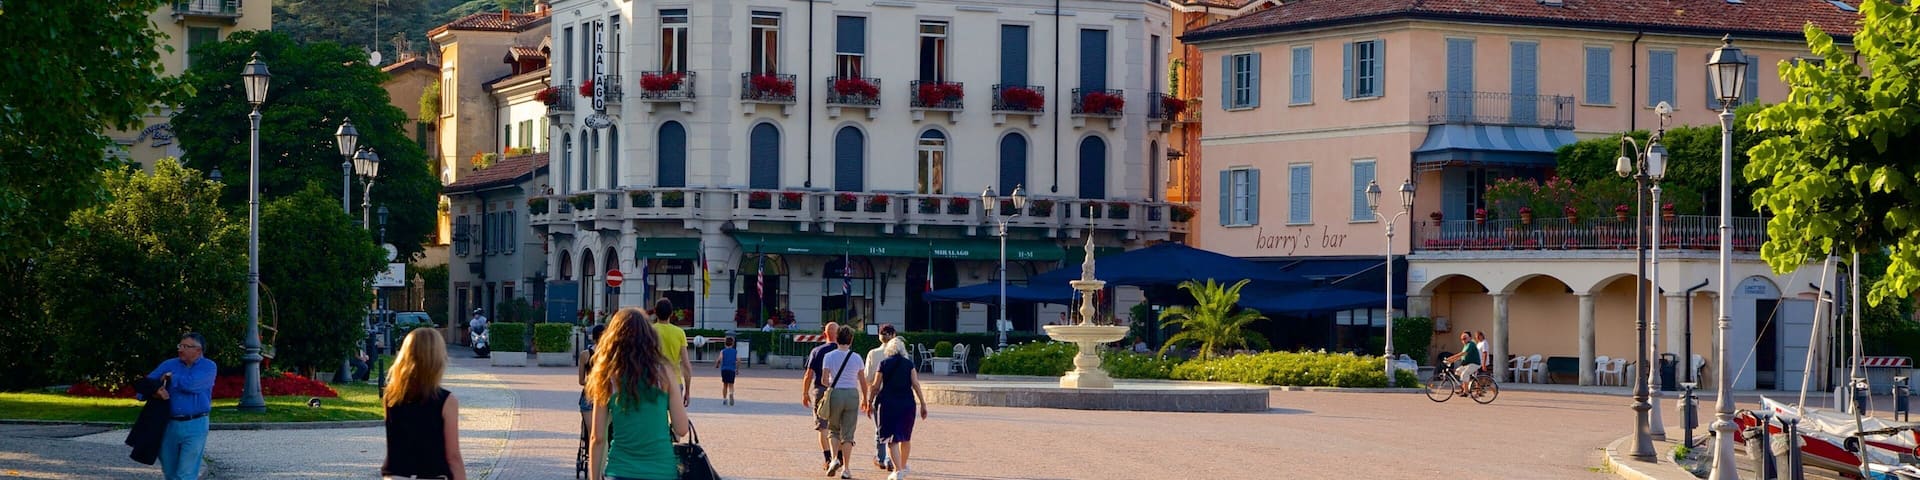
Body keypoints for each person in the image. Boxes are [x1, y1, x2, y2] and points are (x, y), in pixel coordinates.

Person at [587, 307, 691, 480]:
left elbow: (597, 438)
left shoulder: (607, 376)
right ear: (649, 337)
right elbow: (681, 428)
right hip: (661, 470)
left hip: (620, 470)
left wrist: (594, 477)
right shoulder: (664, 372)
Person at [381, 328, 467, 480]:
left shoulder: (391, 397)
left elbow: (393, 441)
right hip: (431, 474)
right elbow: (452, 456)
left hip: (397, 473)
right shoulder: (446, 401)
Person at [145, 332, 216, 480]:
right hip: (168, 424)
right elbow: (145, 385)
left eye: (185, 346)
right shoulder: (169, 364)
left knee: (186, 474)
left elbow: (192, 385)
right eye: (180, 345)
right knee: (170, 472)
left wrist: (172, 377)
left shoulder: (208, 366)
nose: (180, 349)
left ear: (198, 350)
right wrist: (156, 392)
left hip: (196, 424)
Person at [866, 337, 928, 480]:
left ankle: (898, 469)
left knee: (891, 439)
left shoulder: (883, 364)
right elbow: (915, 384)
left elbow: (875, 386)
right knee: (905, 437)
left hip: (888, 404)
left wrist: (869, 402)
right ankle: (902, 467)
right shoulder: (909, 364)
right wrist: (923, 404)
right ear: (903, 350)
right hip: (907, 403)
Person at [819, 325, 868, 479]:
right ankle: (846, 469)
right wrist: (865, 399)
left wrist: (832, 384)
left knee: (833, 429)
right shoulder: (857, 357)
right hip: (852, 394)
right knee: (848, 433)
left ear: (836, 338)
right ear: (851, 340)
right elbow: (863, 381)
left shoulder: (829, 356)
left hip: (836, 393)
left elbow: (824, 380)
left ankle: (834, 459)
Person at [800, 322, 841, 471]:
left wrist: (805, 393)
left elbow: (808, 374)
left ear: (824, 335)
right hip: (840, 390)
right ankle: (839, 457)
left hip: (821, 389)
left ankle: (828, 458)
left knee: (822, 426)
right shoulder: (845, 352)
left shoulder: (817, 351)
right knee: (838, 425)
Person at [862, 324, 898, 471]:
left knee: (879, 428)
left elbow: (867, 377)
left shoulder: (873, 353)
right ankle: (891, 458)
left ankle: (881, 457)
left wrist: (868, 399)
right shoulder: (900, 354)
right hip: (896, 394)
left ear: (879, 336)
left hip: (879, 394)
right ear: (894, 335)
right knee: (894, 428)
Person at [650, 298, 693, 407]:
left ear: (655, 312)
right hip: (675, 381)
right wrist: (687, 391)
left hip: (654, 381)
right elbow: (686, 365)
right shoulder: (679, 333)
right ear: (671, 313)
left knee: (657, 414)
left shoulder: (649, 331)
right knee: (676, 415)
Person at [713, 336, 738, 406]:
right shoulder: (735, 351)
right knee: (731, 384)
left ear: (725, 343)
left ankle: (724, 399)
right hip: (732, 370)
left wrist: (717, 364)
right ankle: (731, 394)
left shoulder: (723, 351)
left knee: (725, 385)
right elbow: (738, 360)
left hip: (724, 369)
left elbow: (720, 358)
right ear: (732, 343)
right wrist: (737, 369)